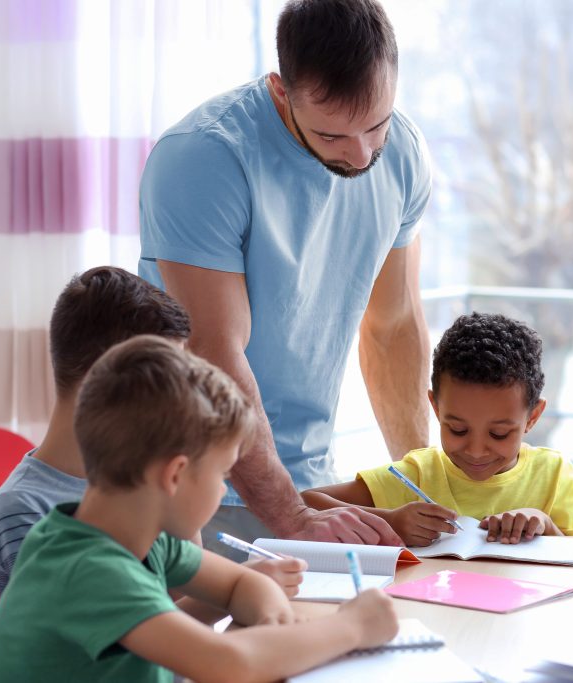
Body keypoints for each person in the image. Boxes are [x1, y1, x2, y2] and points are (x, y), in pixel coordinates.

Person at [139, 0, 427, 549]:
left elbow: (393, 325)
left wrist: (424, 481)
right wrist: (290, 515)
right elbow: (215, 352)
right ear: (280, 91)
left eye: (377, 125)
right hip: (188, 483)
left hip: (311, 483)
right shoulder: (201, 158)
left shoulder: (405, 153)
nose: (361, 155)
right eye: (332, 137)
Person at [0, 336, 399, 683]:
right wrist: (353, 626)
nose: (221, 490)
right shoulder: (87, 568)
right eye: (222, 475)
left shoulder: (135, 536)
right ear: (176, 474)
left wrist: (275, 624)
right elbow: (229, 664)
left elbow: (242, 583)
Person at [0, 267, 304, 598]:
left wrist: (239, 585)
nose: (182, 398)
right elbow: (113, 627)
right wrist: (236, 590)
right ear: (105, 378)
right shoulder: (22, 508)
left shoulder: (150, 470)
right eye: (168, 379)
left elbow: (181, 592)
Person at [302, 313, 573, 546]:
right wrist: (389, 520)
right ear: (436, 408)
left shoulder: (554, 475)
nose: (476, 451)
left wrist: (545, 526)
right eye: (457, 429)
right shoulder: (418, 474)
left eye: (499, 434)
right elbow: (306, 502)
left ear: (532, 417)